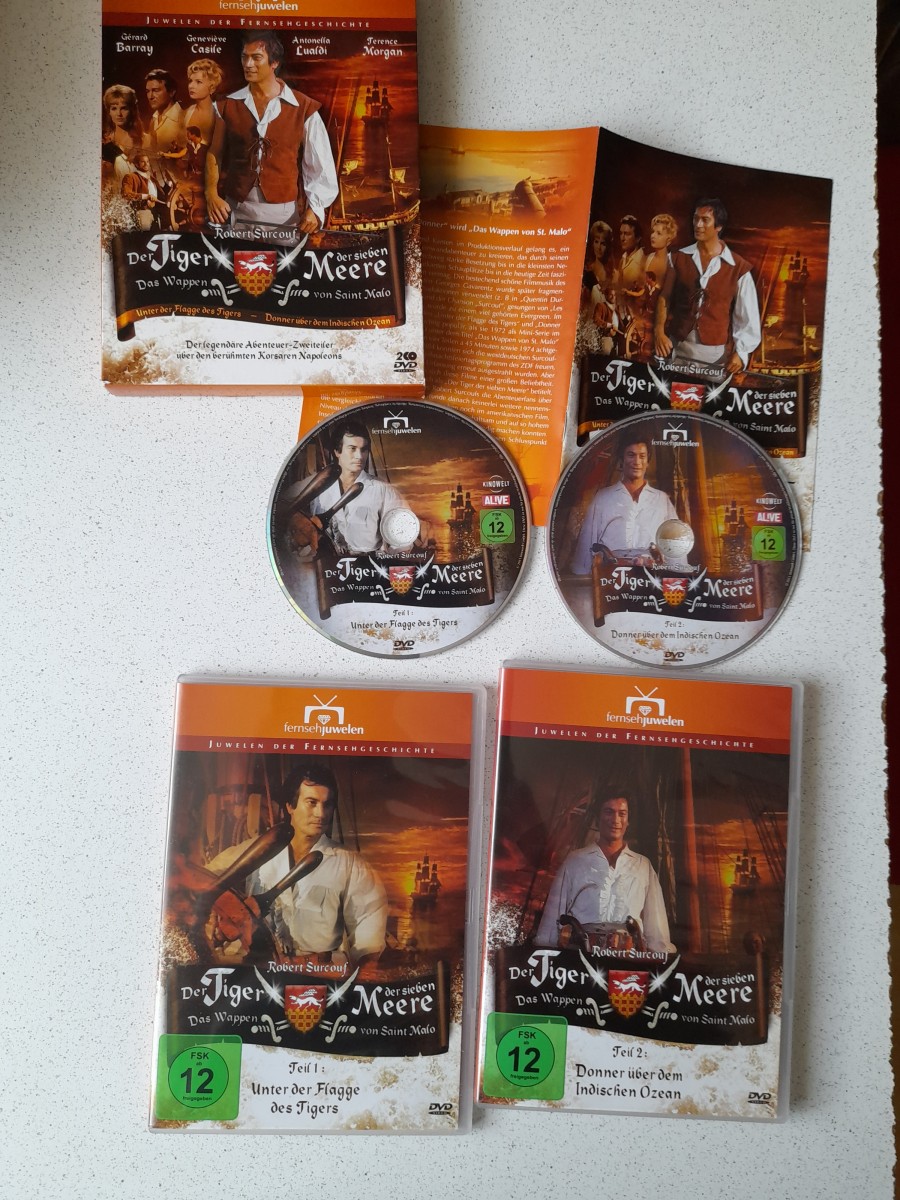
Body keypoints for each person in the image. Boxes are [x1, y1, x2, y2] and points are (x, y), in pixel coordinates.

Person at [211, 760, 388, 967]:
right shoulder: (254, 851)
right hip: (259, 967)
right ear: (290, 806)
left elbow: (369, 932)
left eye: (327, 804)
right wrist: (215, 916)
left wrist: (360, 971)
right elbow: (202, 880)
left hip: (317, 972)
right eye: (312, 803)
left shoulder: (352, 865)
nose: (321, 814)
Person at [205, 29, 338, 238]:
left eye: (256, 58)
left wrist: (315, 209)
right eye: (244, 57)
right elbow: (215, 152)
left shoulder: (303, 107)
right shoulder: (226, 105)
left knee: (281, 261)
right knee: (239, 260)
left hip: (283, 216)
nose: (248, 64)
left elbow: (320, 165)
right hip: (237, 211)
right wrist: (211, 193)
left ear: (274, 62)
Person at [534, 792, 674, 953]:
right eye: (609, 812)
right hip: (580, 956)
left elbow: (656, 930)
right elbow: (552, 920)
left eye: (622, 814)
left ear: (628, 820)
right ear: (597, 817)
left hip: (628, 959)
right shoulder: (575, 861)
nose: (615, 820)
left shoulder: (643, 866)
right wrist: (543, 953)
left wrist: (661, 956)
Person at [654, 197, 761, 377]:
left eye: (705, 220)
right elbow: (665, 297)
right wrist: (659, 331)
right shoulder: (678, 257)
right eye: (696, 219)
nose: (698, 225)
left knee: (709, 396)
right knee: (676, 394)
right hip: (679, 349)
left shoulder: (738, 268)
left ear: (718, 226)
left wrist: (741, 353)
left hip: (714, 357)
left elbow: (747, 317)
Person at [571, 434, 677, 571]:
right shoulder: (603, 498)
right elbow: (587, 543)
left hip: (651, 576)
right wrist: (582, 575)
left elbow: (674, 544)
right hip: (611, 575)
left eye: (642, 456)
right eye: (631, 455)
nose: (637, 462)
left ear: (647, 462)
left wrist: (678, 574)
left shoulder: (661, 500)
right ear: (622, 460)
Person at [308, 420, 414, 555]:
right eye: (352, 448)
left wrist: (382, 561)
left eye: (364, 450)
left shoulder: (384, 490)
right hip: (327, 563)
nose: (359, 456)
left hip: (369, 564)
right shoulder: (317, 488)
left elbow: (404, 540)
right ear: (337, 451)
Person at [144, 69, 185, 156]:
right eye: (148, 91)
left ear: (171, 92)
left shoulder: (183, 119)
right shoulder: (154, 119)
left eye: (156, 90)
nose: (150, 96)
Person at [184, 58, 222, 145]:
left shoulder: (219, 114)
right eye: (190, 81)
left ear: (212, 87)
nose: (191, 86)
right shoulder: (187, 112)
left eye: (198, 82)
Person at [616, 214, 646, 327]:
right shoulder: (622, 260)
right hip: (622, 318)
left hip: (637, 322)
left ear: (638, 238)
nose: (622, 238)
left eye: (627, 234)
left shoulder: (643, 262)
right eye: (621, 233)